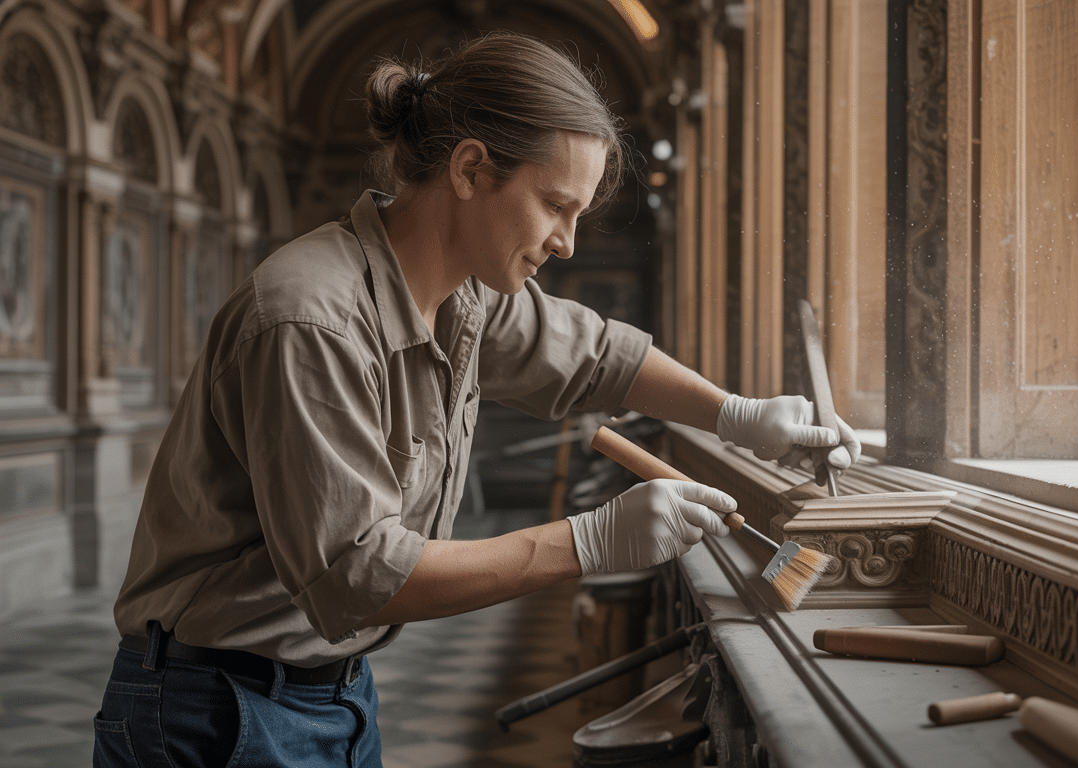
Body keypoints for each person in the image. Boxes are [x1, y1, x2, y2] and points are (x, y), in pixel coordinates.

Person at [92, 32, 860, 767]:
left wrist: (740, 415)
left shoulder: (463, 294)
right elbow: (357, 576)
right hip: (214, 712)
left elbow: (595, 355)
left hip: (329, 694)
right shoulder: (311, 319)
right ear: (469, 168)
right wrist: (586, 543)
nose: (567, 242)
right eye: (556, 205)